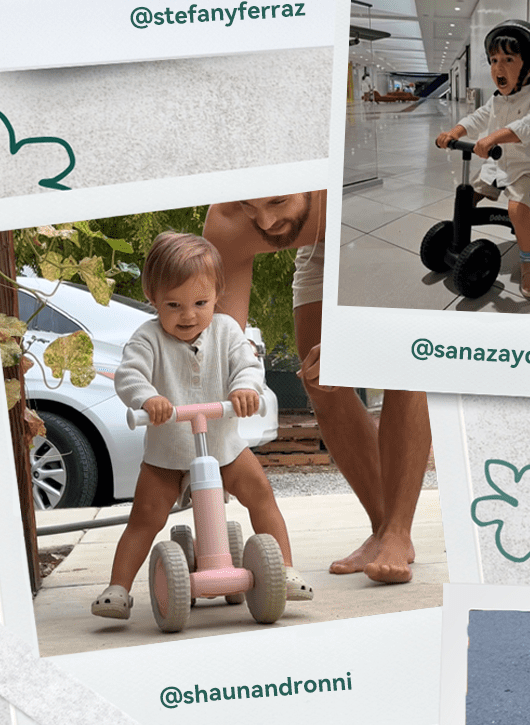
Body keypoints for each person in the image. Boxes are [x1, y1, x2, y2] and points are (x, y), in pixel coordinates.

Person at [203, 193, 431, 585]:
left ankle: (398, 532)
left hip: (385, 224)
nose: (266, 222)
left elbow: (399, 339)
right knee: (321, 382)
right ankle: (381, 530)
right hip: (322, 243)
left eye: (277, 203)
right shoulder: (228, 222)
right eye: (250, 207)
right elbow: (223, 341)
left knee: (403, 370)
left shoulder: (349, 178)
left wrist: (356, 345)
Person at [90, 232, 306, 620]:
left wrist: (244, 389)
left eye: (200, 303)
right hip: (167, 453)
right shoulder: (148, 338)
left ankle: (286, 570)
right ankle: (118, 589)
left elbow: (247, 364)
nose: (188, 315)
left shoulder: (226, 331)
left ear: (218, 294)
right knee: (145, 517)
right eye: (173, 305)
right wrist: (147, 398)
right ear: (151, 297)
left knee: (260, 493)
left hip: (222, 446)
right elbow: (129, 374)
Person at [435, 20, 530, 300]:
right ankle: (456, 243)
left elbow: (529, 126)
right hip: (496, 167)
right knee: (467, 199)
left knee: (517, 211)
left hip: (528, 168)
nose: (498, 68)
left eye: (508, 59)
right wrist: (456, 131)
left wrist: (493, 139)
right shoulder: (496, 99)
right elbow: (478, 118)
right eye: (494, 60)